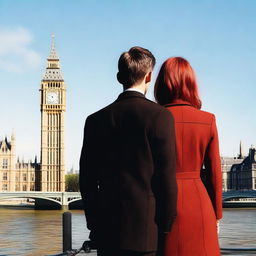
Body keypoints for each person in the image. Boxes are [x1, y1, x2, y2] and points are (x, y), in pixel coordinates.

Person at [79, 47, 177, 256]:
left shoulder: (95, 120)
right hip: (146, 233)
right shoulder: (160, 116)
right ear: (149, 76)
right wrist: (165, 227)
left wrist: (95, 226)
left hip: (107, 234)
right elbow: (166, 179)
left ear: (119, 77)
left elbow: (87, 181)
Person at [154, 57, 222, 256]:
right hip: (199, 204)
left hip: (162, 203)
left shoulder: (153, 118)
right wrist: (216, 215)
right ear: (191, 83)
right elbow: (214, 173)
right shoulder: (208, 120)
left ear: (162, 83)